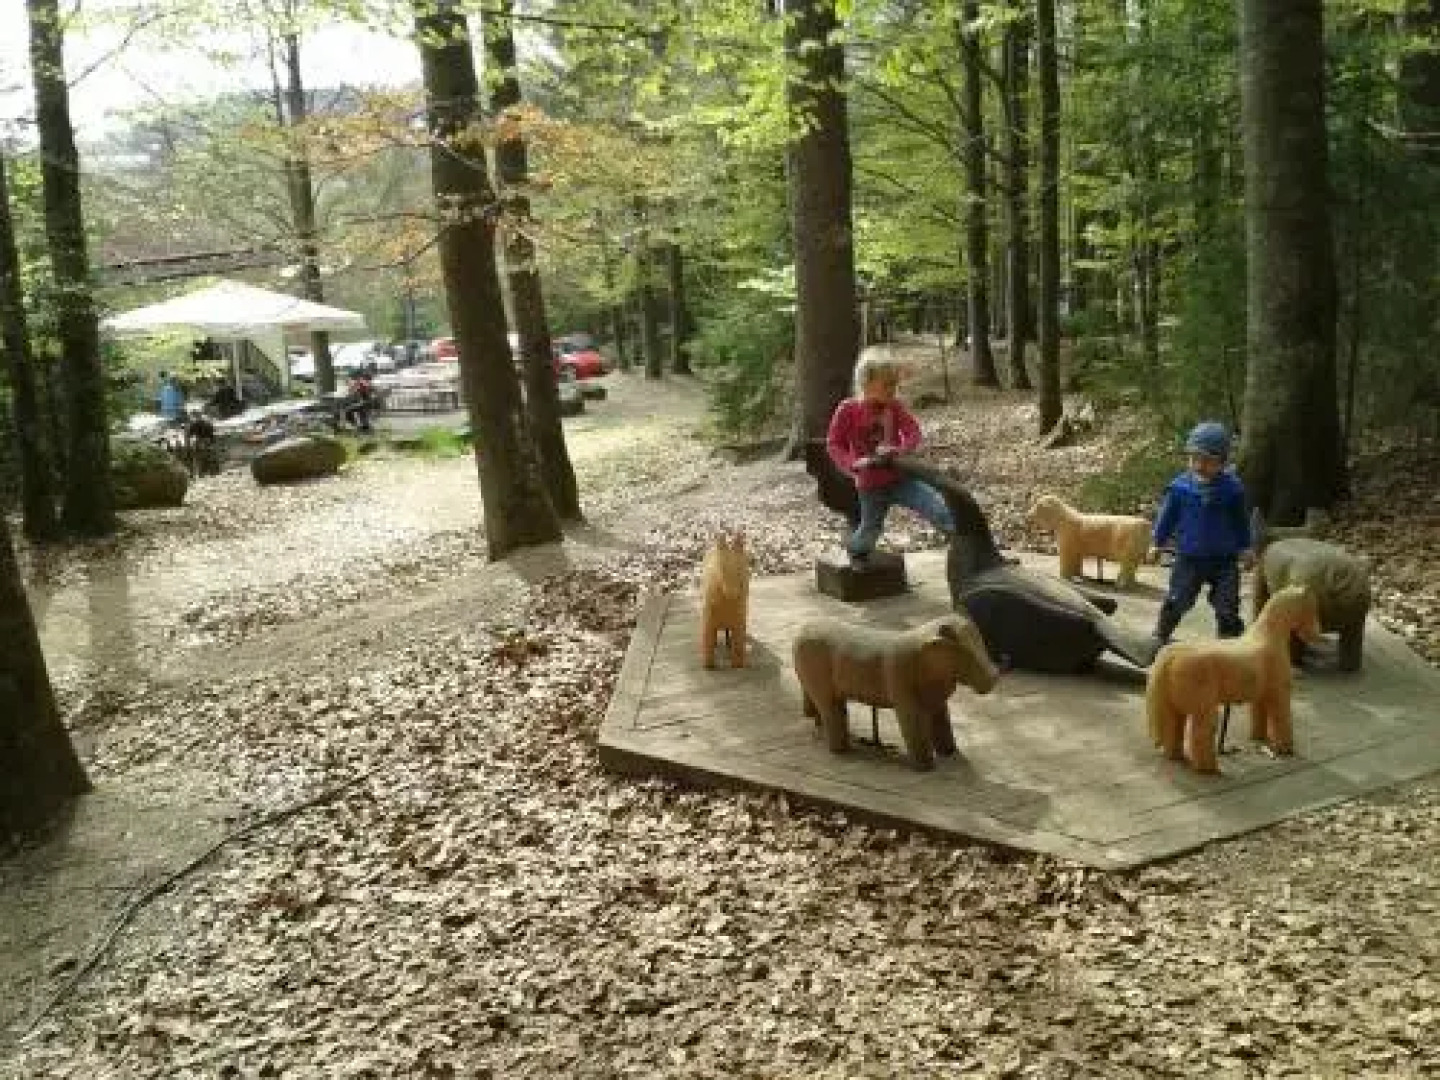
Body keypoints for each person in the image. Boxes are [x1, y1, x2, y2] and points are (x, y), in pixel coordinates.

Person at [826, 355, 955, 570]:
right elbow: (833, 443)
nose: (893, 389)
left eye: (895, 384)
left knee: (937, 507)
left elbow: (913, 432)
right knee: (871, 531)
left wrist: (900, 450)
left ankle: (970, 546)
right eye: (887, 384)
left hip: (900, 479)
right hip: (870, 486)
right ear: (867, 383)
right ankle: (855, 548)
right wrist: (853, 463)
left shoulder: (894, 407)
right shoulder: (847, 410)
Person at [1148, 421, 1254, 646]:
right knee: (1178, 598)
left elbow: (1241, 521)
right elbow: (1167, 518)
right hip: (1189, 557)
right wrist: (1157, 543)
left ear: (1222, 462)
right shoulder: (1180, 489)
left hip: (1224, 560)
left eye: (1207, 460)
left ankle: (1230, 643)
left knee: (1227, 605)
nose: (1199, 465)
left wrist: (1246, 547)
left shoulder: (1232, 490)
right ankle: (1161, 633)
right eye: (1194, 458)